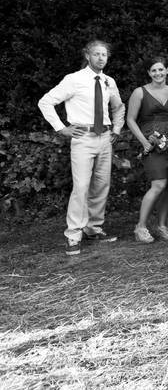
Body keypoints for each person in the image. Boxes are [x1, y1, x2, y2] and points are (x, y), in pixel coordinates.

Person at [38, 40, 126, 255]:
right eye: (96, 54)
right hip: (83, 139)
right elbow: (45, 102)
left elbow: (119, 107)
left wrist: (116, 129)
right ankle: (74, 234)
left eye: (104, 54)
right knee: (81, 187)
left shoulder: (108, 81)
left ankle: (93, 228)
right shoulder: (73, 79)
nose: (101, 58)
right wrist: (61, 128)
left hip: (105, 138)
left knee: (101, 185)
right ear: (87, 56)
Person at [126, 57, 168, 243]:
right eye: (154, 71)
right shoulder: (140, 92)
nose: (158, 74)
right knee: (158, 184)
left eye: (161, 69)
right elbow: (130, 120)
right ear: (148, 73)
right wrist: (144, 142)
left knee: (167, 187)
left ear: (167, 70)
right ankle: (141, 227)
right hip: (151, 143)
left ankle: (161, 225)